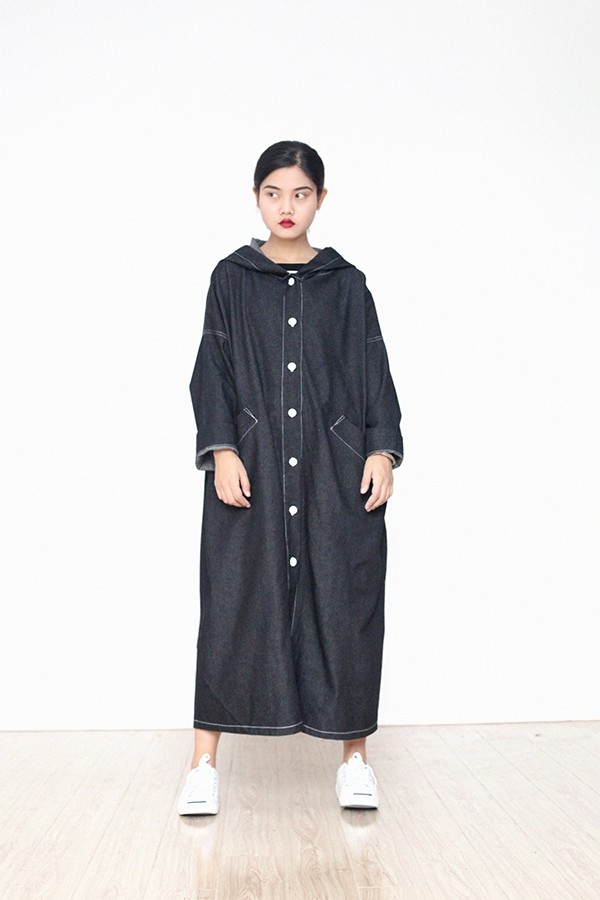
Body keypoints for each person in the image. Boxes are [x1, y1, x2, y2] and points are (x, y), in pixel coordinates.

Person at [177, 141, 403, 816]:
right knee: (232, 604)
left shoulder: (347, 284)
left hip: (336, 475)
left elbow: (375, 371)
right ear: (256, 197)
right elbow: (211, 368)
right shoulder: (231, 278)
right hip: (253, 469)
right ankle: (202, 765)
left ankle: (355, 761)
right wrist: (222, 450)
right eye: (273, 192)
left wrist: (380, 450)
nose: (286, 206)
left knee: (347, 606)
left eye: (300, 194)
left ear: (320, 200)